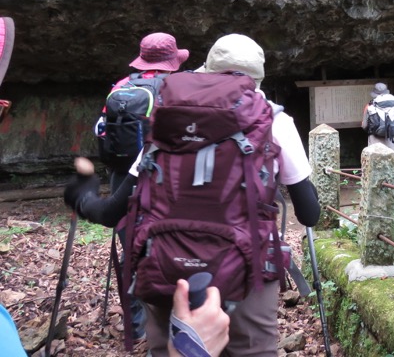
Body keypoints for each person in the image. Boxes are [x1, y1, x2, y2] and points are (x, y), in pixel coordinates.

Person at [65, 33, 321, 357]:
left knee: (167, 349)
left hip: (164, 267)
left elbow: (110, 213)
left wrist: (81, 194)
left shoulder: (166, 116)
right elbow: (309, 214)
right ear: (256, 80)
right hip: (245, 268)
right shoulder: (274, 119)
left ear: (207, 70)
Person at [96, 31, 190, 341]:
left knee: (131, 250)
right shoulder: (177, 88)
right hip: (164, 181)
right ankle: (171, 323)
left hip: (122, 178)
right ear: (171, 61)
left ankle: (136, 325)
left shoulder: (121, 87)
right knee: (171, 248)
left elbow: (102, 131)